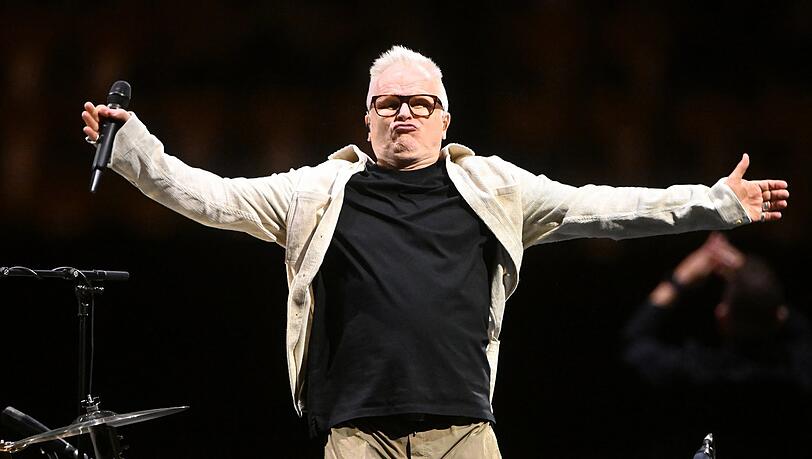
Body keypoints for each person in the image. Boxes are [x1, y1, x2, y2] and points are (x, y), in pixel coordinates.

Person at [81, 45, 789, 458]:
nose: (404, 114)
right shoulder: (316, 192)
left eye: (420, 103)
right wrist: (132, 147)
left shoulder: (495, 188)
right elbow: (207, 195)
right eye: (388, 103)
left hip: (463, 433)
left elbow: (605, 208)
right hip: (357, 436)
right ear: (366, 117)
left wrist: (717, 201)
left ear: (446, 116)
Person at [623, 232, 812, 458]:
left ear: (722, 317)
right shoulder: (799, 373)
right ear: (779, 316)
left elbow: (633, 342)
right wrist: (750, 278)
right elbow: (800, 330)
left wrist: (679, 280)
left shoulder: (696, 372)